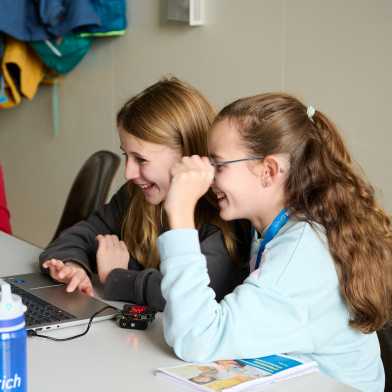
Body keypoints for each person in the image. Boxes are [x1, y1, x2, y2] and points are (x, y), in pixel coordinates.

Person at [157, 92, 392, 392]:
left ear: (268, 171)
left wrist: (179, 214)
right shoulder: (282, 231)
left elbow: (196, 338)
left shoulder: (303, 252)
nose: (209, 178)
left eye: (219, 165)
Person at [39, 77, 250, 310]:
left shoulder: (225, 218)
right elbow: (78, 236)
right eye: (126, 156)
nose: (129, 172)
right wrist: (72, 266)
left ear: (187, 155)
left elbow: (184, 296)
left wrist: (115, 276)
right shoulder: (135, 196)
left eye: (141, 159)